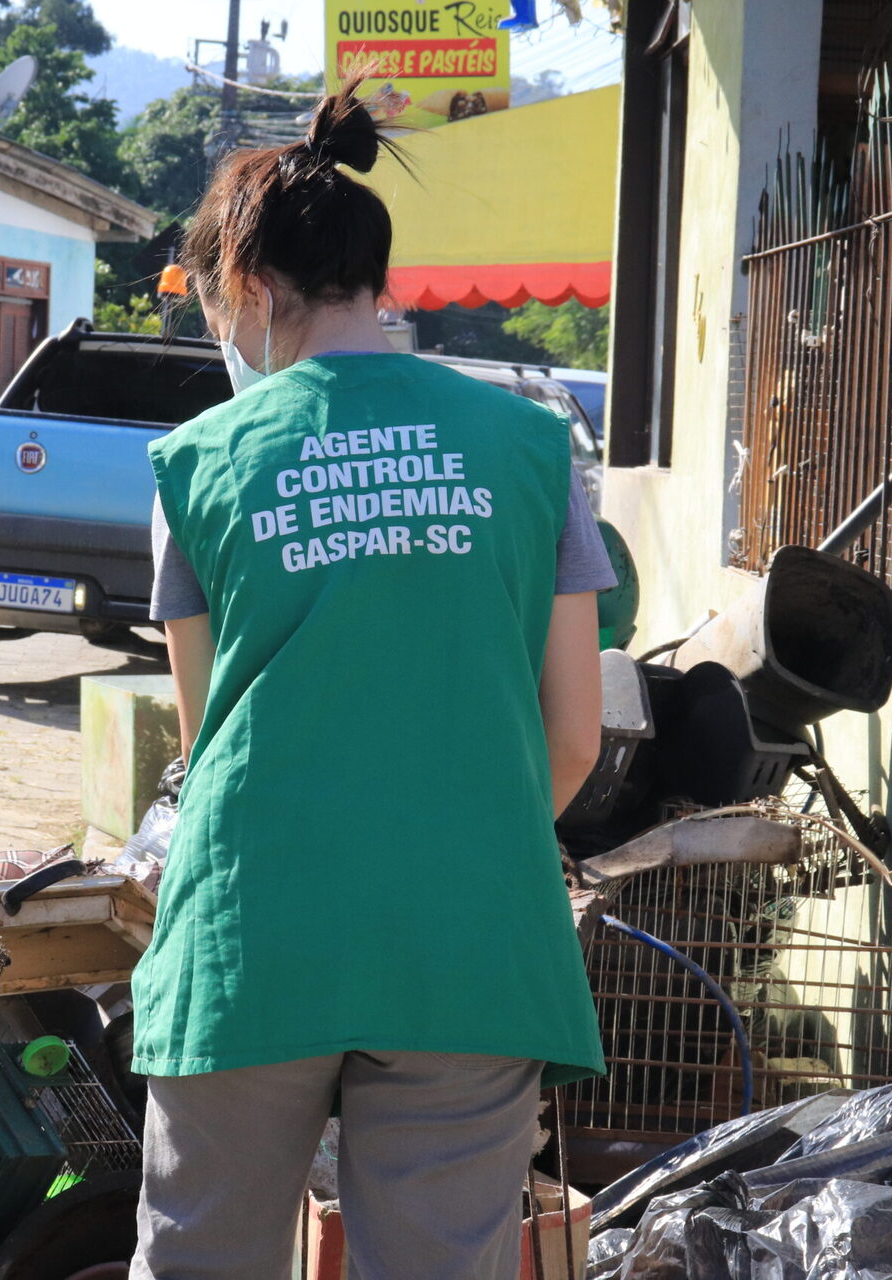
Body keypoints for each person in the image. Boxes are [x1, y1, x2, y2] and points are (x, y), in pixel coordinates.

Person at [131, 87, 609, 1280]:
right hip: (468, 931)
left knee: (202, 1262)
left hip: (252, 930)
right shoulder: (534, 444)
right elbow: (576, 737)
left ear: (245, 286)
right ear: (377, 282)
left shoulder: (195, 463)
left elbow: (211, 736)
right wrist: (453, 836)